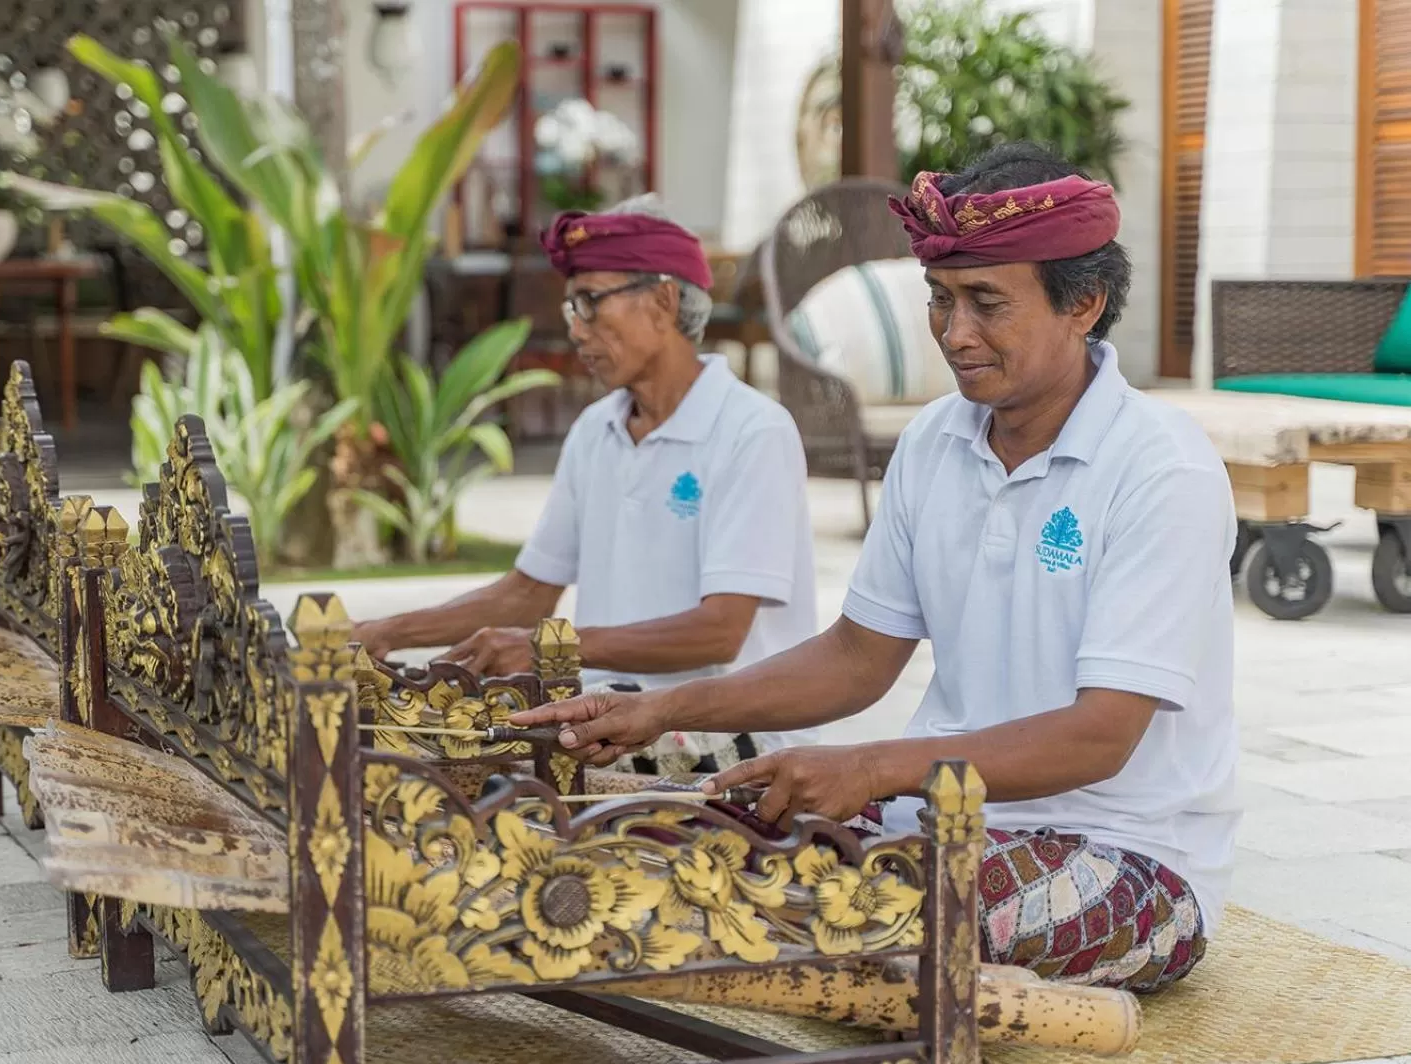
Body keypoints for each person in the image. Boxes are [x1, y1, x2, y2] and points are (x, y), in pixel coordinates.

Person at [510, 143, 1240, 993]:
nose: (954, 333)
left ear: (1085, 303)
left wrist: (873, 765)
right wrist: (657, 708)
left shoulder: (1161, 469)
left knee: (859, 901)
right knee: (677, 835)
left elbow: (1100, 734)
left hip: (1131, 856)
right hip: (933, 815)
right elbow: (857, 656)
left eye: (986, 303)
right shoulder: (936, 441)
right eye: (939, 300)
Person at [351, 196, 821, 775]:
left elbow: (721, 631)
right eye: (572, 307)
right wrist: (385, 633)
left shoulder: (752, 430)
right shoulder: (595, 429)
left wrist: (554, 647)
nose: (576, 329)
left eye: (590, 302)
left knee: (474, 775)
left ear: (663, 301)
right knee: (406, 739)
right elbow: (528, 594)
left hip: (730, 734)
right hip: (613, 716)